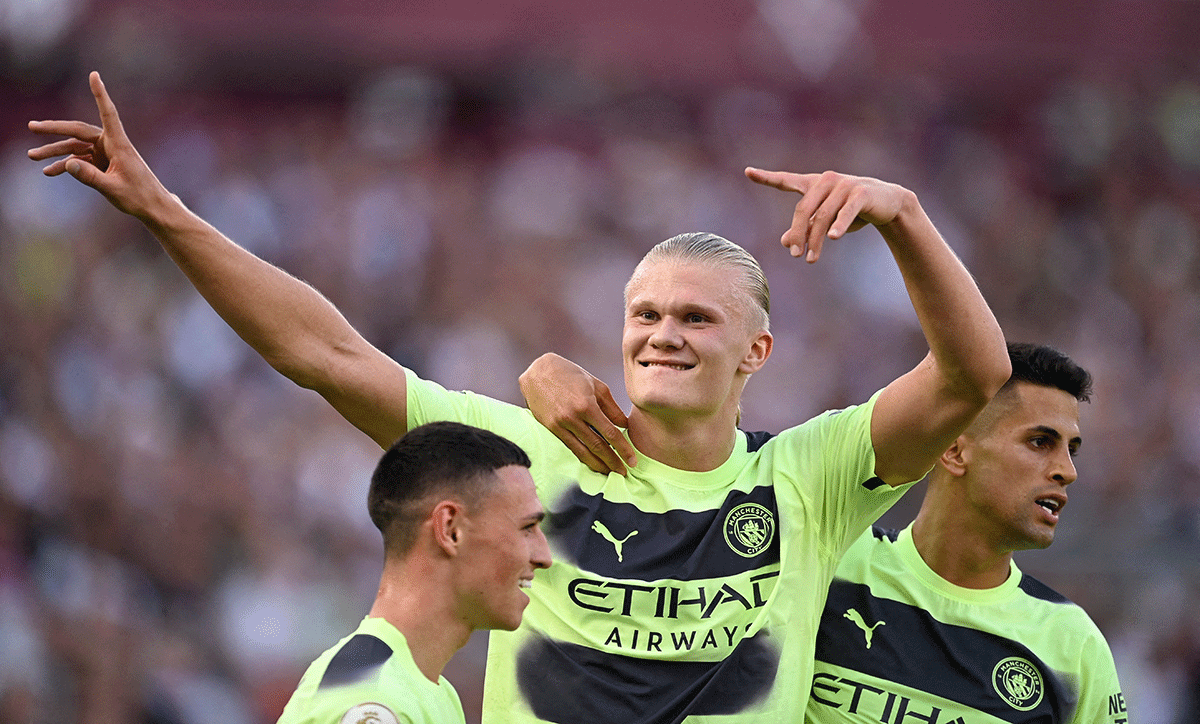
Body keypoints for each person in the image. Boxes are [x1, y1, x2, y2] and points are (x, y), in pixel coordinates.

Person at [29, 72, 1011, 723]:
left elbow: (974, 375)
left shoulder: (810, 477)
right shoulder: (521, 459)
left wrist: (906, 216)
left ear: (757, 348)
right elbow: (325, 352)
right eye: (643, 313)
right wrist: (165, 213)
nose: (662, 332)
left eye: (695, 319)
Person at [522, 343, 1128, 723]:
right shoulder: (822, 561)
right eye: (1039, 442)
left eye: (1072, 448)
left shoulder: (1070, 648)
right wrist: (549, 376)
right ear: (953, 449)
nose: (1066, 470)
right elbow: (692, 474)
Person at [277, 421, 552, 724]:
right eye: (527, 528)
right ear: (451, 530)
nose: (545, 556)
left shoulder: (430, 690)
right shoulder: (374, 699)